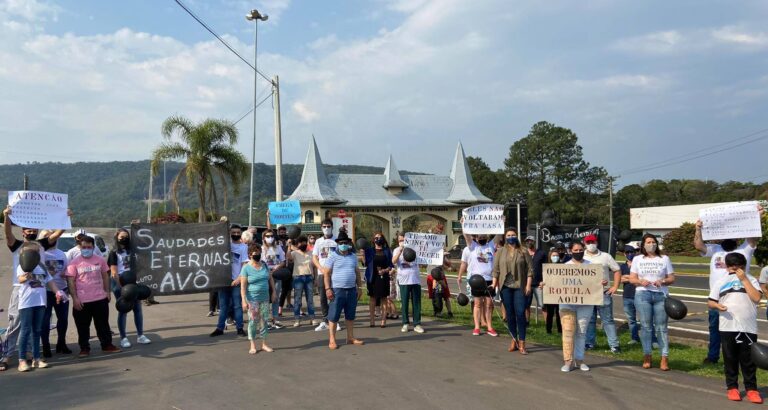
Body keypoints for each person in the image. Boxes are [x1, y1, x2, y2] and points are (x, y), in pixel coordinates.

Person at [1, 205, 67, 372]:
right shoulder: (17, 246)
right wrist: (6, 217)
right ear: (23, 231)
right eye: (28, 230)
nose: (31, 232)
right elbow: (8, 234)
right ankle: (6, 355)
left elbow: (58, 233)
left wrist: (65, 217)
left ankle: (31, 354)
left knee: (34, 326)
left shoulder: (41, 244)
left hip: (39, 290)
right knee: (16, 324)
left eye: (34, 230)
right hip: (21, 289)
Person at [694, 216, 760, 365]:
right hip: (718, 298)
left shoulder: (745, 249)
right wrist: (698, 229)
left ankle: (739, 358)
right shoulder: (715, 250)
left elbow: (753, 238)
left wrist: (754, 218)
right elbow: (699, 245)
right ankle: (713, 357)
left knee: (740, 329)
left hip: (740, 299)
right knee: (715, 329)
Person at [708, 252, 763, 404]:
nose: (735, 269)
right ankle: (732, 387)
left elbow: (757, 298)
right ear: (727, 267)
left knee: (748, 360)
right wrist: (716, 305)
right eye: (732, 267)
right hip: (727, 326)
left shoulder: (751, 280)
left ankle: (752, 389)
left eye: (738, 267)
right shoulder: (721, 281)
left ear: (744, 267)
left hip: (748, 327)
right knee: (730, 358)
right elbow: (711, 301)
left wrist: (744, 279)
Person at [66, 235, 121, 356]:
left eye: (89, 247)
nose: (86, 249)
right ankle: (84, 348)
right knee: (82, 327)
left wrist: (107, 291)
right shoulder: (74, 263)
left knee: (103, 325)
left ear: (93, 247)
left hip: (100, 298)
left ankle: (107, 345)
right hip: (82, 301)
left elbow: (105, 276)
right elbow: (70, 281)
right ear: (80, 247)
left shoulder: (99, 260)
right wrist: (75, 298)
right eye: (83, 247)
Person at [629, 234, 675, 371]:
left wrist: (663, 281)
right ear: (643, 245)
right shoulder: (637, 259)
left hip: (661, 295)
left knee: (661, 327)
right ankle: (647, 355)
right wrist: (639, 281)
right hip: (643, 294)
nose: (651, 244)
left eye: (653, 242)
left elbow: (672, 278)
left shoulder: (664, 258)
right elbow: (632, 279)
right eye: (648, 242)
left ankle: (664, 357)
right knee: (646, 327)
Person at [16, 242, 64, 371]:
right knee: (25, 330)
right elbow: (19, 279)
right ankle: (22, 360)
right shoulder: (22, 265)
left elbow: (50, 281)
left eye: (37, 252)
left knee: (37, 331)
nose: (35, 254)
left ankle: (36, 359)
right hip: (27, 303)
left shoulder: (42, 266)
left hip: (41, 302)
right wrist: (26, 276)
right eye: (32, 252)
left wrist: (58, 292)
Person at [551, 241, 594, 372]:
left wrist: (600, 282)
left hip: (585, 304)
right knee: (568, 333)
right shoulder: (564, 267)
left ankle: (579, 360)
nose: (578, 252)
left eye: (580, 249)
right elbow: (555, 283)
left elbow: (595, 284)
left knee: (581, 333)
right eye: (575, 250)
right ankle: (568, 361)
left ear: (584, 250)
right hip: (567, 304)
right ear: (570, 251)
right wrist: (546, 285)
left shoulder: (591, 266)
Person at [320, 232, 364, 350]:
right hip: (337, 290)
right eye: (341, 243)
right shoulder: (332, 256)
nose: (343, 244)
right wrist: (328, 289)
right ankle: (332, 339)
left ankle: (350, 337)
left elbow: (357, 273)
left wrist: (359, 288)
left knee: (350, 315)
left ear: (349, 243)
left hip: (351, 290)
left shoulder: (353, 256)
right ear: (337, 244)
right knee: (334, 316)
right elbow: (326, 274)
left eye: (345, 242)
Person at [108, 229, 151, 348]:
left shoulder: (133, 251)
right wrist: (123, 288)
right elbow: (113, 272)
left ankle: (140, 335)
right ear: (117, 237)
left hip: (133, 282)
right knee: (124, 309)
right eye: (122, 237)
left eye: (126, 236)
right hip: (120, 284)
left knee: (137, 309)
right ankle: (123, 338)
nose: (124, 239)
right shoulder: (114, 253)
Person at [492, 228, 533, 354]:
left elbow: (530, 270)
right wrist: (494, 284)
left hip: (519, 286)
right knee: (509, 314)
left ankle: (522, 342)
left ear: (517, 236)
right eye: (508, 235)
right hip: (506, 287)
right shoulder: (500, 252)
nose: (511, 237)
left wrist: (528, 285)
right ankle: (513, 340)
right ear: (505, 237)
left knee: (520, 313)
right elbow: (496, 270)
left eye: (513, 235)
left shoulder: (524, 251)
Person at [582, 234, 621, 354]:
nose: (590, 245)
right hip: (587, 293)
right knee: (590, 320)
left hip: (603, 293)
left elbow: (617, 270)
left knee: (608, 320)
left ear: (597, 242)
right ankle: (589, 343)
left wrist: (615, 286)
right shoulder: (581, 256)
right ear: (585, 244)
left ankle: (614, 345)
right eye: (588, 243)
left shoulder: (605, 256)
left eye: (592, 242)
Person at [210, 224, 248, 337]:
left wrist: (239, 278)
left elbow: (244, 264)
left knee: (237, 305)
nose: (236, 234)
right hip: (223, 281)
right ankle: (220, 328)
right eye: (233, 232)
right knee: (223, 306)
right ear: (229, 233)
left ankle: (240, 328)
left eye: (238, 232)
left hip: (236, 281)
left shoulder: (243, 247)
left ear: (241, 233)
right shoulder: (224, 245)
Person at [38, 229, 71, 357]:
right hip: (45, 291)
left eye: (52, 235)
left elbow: (67, 270)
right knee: (45, 320)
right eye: (47, 236)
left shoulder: (62, 254)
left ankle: (61, 343)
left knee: (63, 319)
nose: (50, 238)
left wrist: (66, 276)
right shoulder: (41, 254)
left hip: (62, 289)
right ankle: (45, 346)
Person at [240, 243, 276, 354]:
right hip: (252, 299)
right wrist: (243, 300)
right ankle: (252, 345)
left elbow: (270, 279)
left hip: (265, 298)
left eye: (259, 253)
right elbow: (243, 286)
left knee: (264, 321)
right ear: (250, 255)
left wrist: (274, 292)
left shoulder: (264, 265)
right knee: (253, 321)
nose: (258, 255)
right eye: (255, 254)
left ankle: (264, 344)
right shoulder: (246, 268)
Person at [462, 229, 498, 337]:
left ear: (487, 237)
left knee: (489, 304)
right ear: (476, 238)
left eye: (484, 237)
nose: (482, 238)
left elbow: (499, 234)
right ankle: (477, 327)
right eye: (480, 237)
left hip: (489, 279)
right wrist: (464, 225)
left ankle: (489, 327)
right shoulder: (472, 246)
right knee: (477, 304)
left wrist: (502, 222)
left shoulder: (491, 245)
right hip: (477, 280)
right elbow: (466, 236)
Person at [312, 219, 341, 332]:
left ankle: (334, 321)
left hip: (334, 273)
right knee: (323, 298)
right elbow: (314, 257)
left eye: (328, 226)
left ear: (332, 227)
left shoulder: (337, 241)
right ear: (321, 228)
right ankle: (324, 321)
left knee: (334, 298)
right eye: (324, 226)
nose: (326, 228)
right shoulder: (318, 241)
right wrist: (320, 268)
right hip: (321, 273)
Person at [393, 233, 424, 333]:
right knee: (405, 302)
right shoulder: (397, 250)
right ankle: (405, 323)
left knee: (416, 303)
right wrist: (400, 251)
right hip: (403, 280)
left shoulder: (415, 249)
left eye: (403, 240)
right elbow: (393, 261)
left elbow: (423, 262)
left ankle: (417, 324)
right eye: (399, 240)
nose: (401, 242)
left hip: (415, 279)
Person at [364, 232, 394, 327]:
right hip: (372, 277)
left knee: (384, 299)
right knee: (372, 298)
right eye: (376, 237)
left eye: (380, 237)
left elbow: (390, 265)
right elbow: (366, 263)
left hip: (383, 277)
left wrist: (385, 270)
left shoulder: (387, 251)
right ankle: (372, 320)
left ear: (383, 239)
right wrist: (362, 255)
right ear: (373, 240)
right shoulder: (369, 250)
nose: (378, 239)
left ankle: (383, 320)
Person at [286, 235, 316, 327]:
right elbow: (289, 258)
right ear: (298, 244)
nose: (303, 244)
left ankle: (312, 318)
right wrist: (289, 246)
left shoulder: (311, 253)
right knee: (297, 300)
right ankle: (297, 319)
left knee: (310, 299)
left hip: (309, 277)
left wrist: (316, 278)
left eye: (304, 242)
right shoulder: (295, 253)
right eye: (300, 242)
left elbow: (314, 266)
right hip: (298, 277)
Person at [261, 229, 287, 329]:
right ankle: (266, 321)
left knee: (275, 297)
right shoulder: (262, 249)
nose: (270, 238)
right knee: (266, 299)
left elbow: (283, 261)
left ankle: (275, 320)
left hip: (277, 275)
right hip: (265, 276)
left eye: (271, 236)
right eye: (267, 236)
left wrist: (277, 267)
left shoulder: (278, 248)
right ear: (264, 238)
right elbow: (259, 262)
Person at [620, 245, 641, 345]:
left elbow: (641, 278)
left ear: (635, 253)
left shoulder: (639, 265)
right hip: (627, 296)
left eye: (631, 252)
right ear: (624, 254)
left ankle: (652, 339)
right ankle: (635, 338)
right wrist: (632, 278)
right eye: (627, 252)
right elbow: (620, 279)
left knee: (646, 320)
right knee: (631, 320)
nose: (629, 254)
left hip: (639, 295)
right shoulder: (622, 266)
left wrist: (628, 278)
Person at [525, 235, 546, 325]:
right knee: (526, 305)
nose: (529, 242)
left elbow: (546, 268)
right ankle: (526, 323)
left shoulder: (541, 253)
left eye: (531, 241)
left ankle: (547, 325)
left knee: (543, 305)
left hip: (538, 283)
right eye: (528, 241)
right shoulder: (523, 253)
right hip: (526, 284)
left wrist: (544, 280)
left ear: (534, 242)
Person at [540, 248, 562, 334]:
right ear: (550, 256)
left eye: (556, 255)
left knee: (559, 313)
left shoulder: (563, 266)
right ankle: (548, 330)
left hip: (560, 292)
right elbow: (543, 279)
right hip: (550, 292)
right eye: (553, 256)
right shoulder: (546, 267)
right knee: (550, 313)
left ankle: (560, 330)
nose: (555, 257)